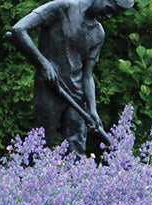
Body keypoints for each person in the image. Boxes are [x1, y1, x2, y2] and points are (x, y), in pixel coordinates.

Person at [9, 0, 134, 156]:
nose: (109, 16)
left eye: (114, 14)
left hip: (77, 97)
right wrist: (44, 64)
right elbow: (18, 30)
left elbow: (88, 75)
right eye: (109, 9)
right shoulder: (62, 7)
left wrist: (92, 109)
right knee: (40, 144)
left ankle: (75, 180)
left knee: (77, 151)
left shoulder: (98, 34)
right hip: (50, 88)